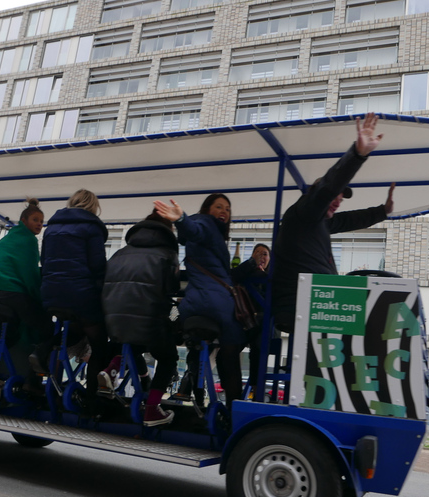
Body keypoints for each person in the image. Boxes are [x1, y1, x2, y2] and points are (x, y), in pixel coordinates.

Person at [272, 113, 395, 333]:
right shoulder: (304, 213)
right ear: (316, 195)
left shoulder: (319, 223)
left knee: (375, 315)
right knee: (369, 324)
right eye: (335, 195)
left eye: (341, 198)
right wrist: (357, 155)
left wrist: (382, 212)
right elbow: (328, 186)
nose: (338, 200)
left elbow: (349, 219)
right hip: (302, 301)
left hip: (318, 300)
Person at [154, 193, 245, 409]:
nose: (224, 212)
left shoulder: (204, 231)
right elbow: (196, 229)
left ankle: (177, 336)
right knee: (234, 347)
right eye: (219, 207)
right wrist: (181, 219)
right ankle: (234, 407)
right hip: (218, 305)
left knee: (174, 316)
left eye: (228, 209)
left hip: (189, 306)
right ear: (207, 210)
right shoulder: (206, 223)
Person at [101, 211, 180, 426]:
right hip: (149, 320)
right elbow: (172, 289)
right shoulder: (167, 254)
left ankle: (112, 368)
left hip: (114, 321)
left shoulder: (120, 253)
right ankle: (152, 408)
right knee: (168, 356)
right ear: (167, 231)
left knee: (130, 339)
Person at [37, 189, 112, 406]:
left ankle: (43, 350)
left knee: (75, 329)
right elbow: (97, 264)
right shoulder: (92, 227)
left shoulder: (51, 227)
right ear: (93, 206)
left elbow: (44, 260)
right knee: (99, 342)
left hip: (51, 291)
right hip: (79, 292)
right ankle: (91, 400)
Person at [0, 199, 50, 393]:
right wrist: (42, 299)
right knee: (47, 331)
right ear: (24, 221)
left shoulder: (8, 238)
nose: (39, 224)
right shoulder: (28, 240)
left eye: (41, 221)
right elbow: (30, 276)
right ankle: (32, 382)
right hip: (10, 294)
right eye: (35, 219)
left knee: (11, 333)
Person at [231, 243, 271, 392]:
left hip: (262, 324)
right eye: (257, 253)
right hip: (242, 321)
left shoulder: (272, 278)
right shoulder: (243, 273)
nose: (261, 256)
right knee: (227, 351)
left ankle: (256, 387)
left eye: (265, 254)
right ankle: (232, 390)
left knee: (259, 348)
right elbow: (232, 275)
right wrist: (251, 266)